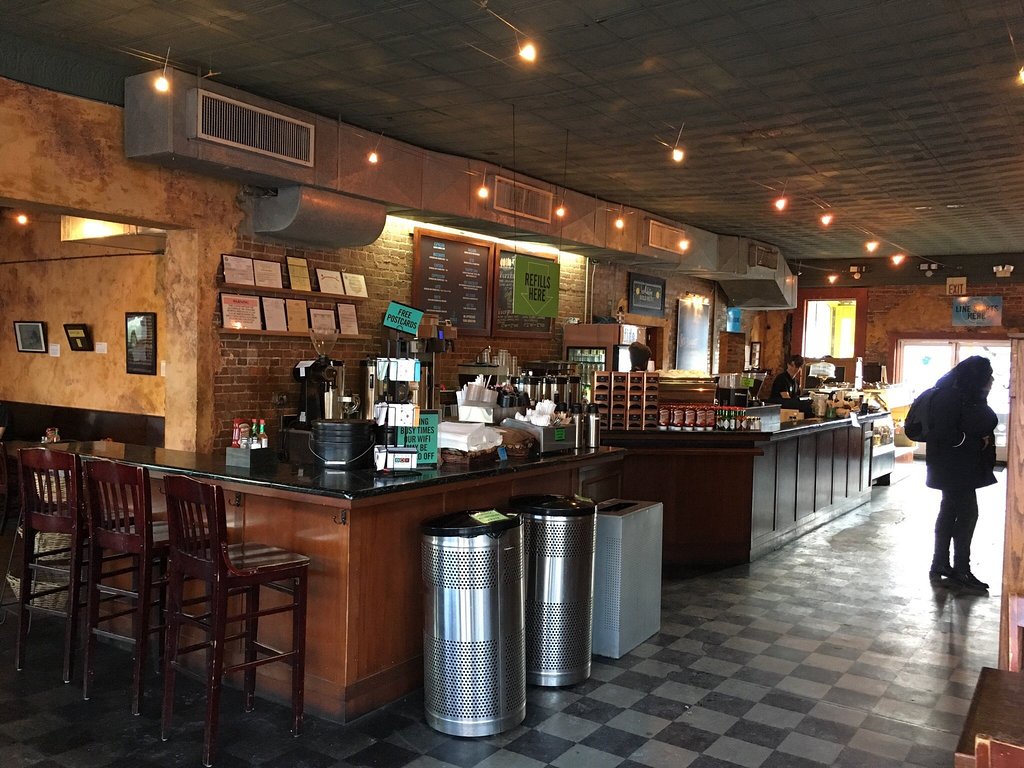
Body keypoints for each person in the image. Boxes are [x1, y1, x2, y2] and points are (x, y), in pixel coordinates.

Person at [925, 355, 998, 593]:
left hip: (955, 466)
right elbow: (947, 432)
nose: (991, 380)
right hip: (955, 466)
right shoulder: (952, 395)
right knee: (967, 515)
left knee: (950, 510)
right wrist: (973, 441)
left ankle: (940, 563)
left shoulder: (957, 391)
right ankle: (961, 570)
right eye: (988, 376)